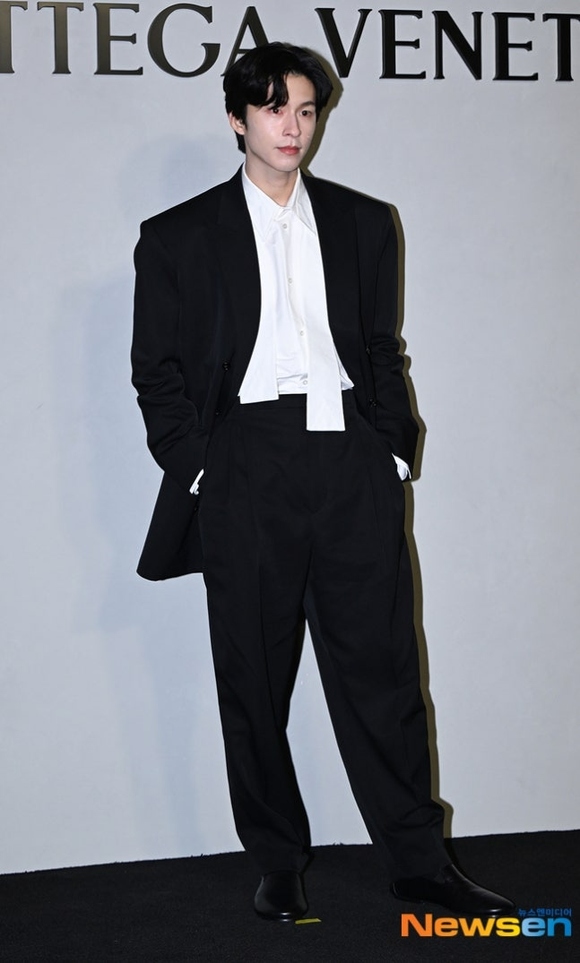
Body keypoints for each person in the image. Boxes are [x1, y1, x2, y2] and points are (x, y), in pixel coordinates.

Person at [131, 41, 514, 922]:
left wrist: (390, 449)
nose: (292, 126)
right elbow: (156, 371)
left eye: (306, 110)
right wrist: (201, 466)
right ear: (237, 119)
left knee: (384, 669)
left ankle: (420, 864)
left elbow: (380, 347)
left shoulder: (363, 222)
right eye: (274, 108)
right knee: (254, 678)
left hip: (350, 460)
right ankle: (277, 862)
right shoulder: (178, 235)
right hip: (246, 461)